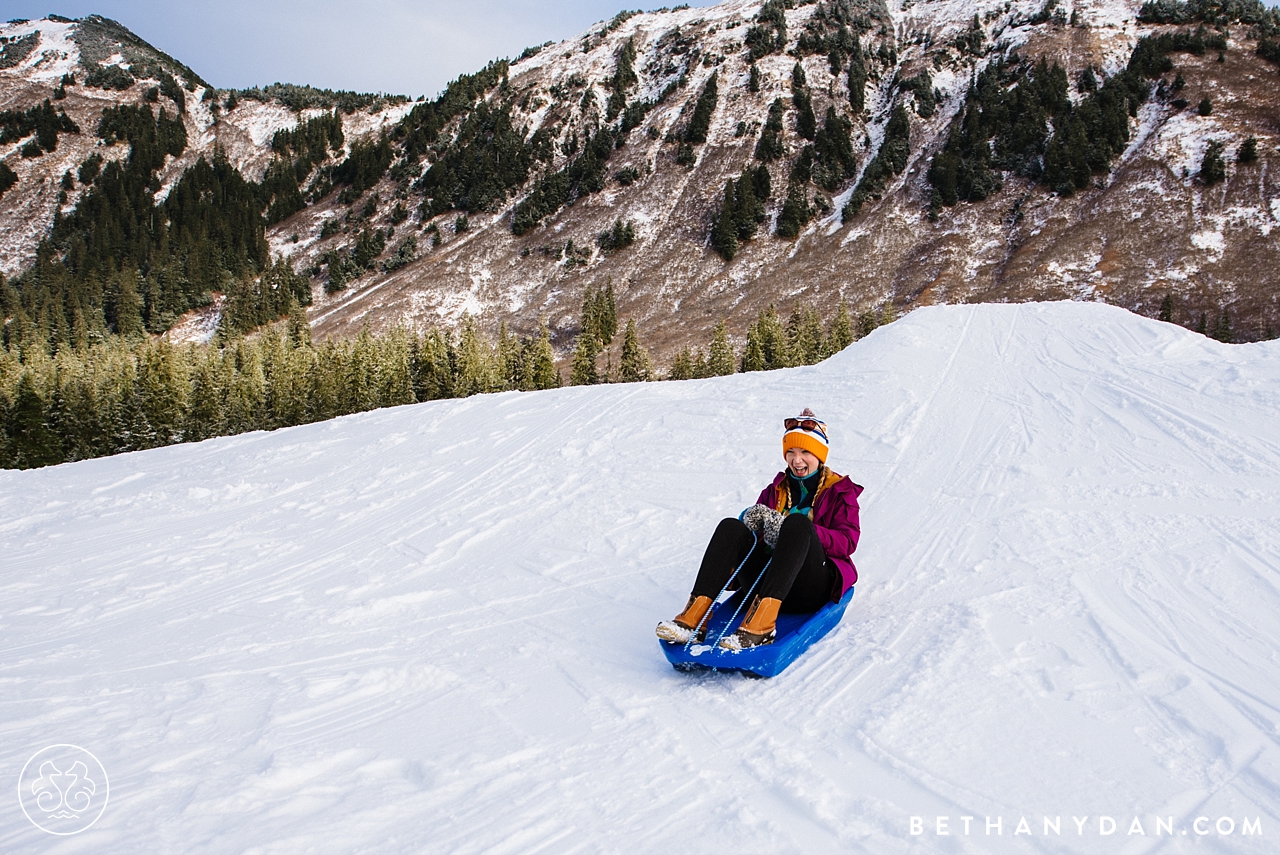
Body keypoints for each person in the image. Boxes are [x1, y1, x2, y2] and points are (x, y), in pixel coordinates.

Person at [656, 408, 863, 650]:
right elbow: (748, 541)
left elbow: (847, 541)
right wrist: (751, 522)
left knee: (797, 525)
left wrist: (798, 531)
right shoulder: (775, 490)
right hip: (763, 583)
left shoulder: (840, 491)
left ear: (819, 455)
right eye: (791, 452)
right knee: (730, 527)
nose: (797, 461)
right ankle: (694, 619)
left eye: (805, 452)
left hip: (809, 588)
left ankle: (762, 628)